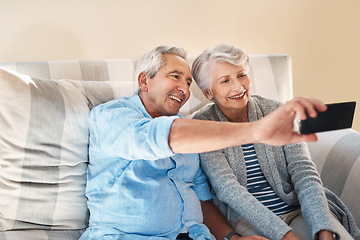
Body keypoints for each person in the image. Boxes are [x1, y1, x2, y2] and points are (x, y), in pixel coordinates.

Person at [79, 45, 328, 240]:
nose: (184, 89)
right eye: (175, 76)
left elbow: (202, 199)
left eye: (188, 82)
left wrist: (231, 237)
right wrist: (256, 131)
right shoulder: (112, 116)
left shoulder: (189, 130)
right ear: (144, 81)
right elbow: (159, 136)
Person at [191, 43, 360, 240]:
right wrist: (284, 235)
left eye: (241, 75)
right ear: (208, 93)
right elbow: (227, 189)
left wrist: (324, 228)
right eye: (225, 80)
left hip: (298, 209)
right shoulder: (203, 126)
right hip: (248, 219)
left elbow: (304, 171)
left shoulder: (278, 111)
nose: (238, 87)